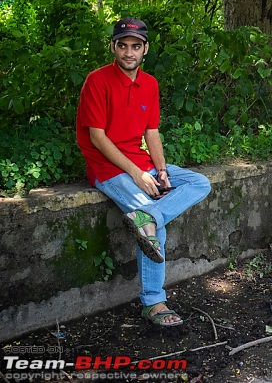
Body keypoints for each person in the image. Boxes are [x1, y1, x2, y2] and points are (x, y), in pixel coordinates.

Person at [76, 18, 211, 326]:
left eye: (135, 46)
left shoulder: (149, 84)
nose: (128, 52)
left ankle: (149, 219)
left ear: (145, 49)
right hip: (107, 168)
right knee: (152, 222)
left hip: (142, 162)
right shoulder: (97, 81)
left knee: (199, 182)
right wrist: (138, 174)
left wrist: (160, 170)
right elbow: (97, 137)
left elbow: (152, 132)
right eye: (122, 45)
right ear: (113, 47)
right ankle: (154, 303)